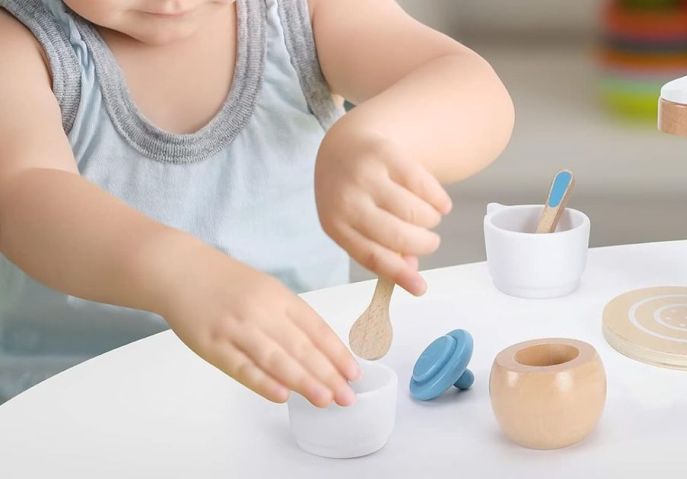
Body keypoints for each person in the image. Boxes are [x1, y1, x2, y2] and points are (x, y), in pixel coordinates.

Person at [0, 0, 514, 406]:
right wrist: (179, 273)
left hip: (280, 398)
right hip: (58, 402)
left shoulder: (305, 13)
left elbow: (468, 85)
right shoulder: (20, 39)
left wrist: (373, 138)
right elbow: (22, 190)